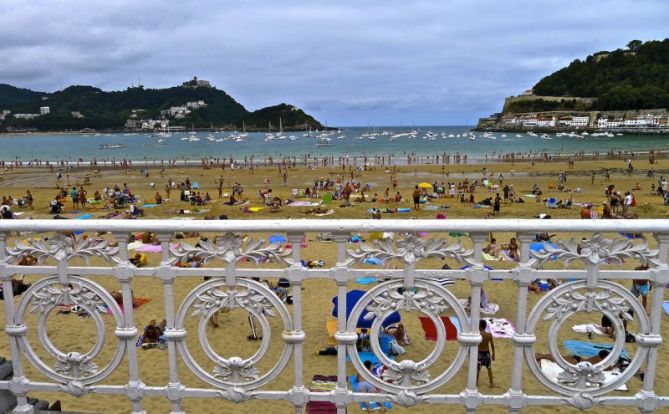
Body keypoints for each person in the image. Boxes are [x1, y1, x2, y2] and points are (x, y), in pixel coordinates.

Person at [477, 319, 495, 387]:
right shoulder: (489, 335)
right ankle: (491, 384)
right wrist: (493, 354)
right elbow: (492, 345)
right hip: (487, 353)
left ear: (479, 327)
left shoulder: (479, 335)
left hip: (480, 353)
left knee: (478, 369)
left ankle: (476, 382)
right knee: (489, 368)